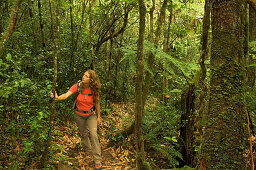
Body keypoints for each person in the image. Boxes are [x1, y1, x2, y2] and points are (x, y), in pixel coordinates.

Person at [50, 70, 102, 170]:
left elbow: (97, 103)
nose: (83, 77)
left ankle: (98, 160)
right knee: (83, 134)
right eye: (83, 75)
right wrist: (57, 97)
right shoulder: (78, 86)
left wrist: (99, 117)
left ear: (91, 79)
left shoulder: (94, 89)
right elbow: (66, 95)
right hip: (79, 115)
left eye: (86, 76)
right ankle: (88, 151)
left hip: (91, 115)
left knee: (93, 134)